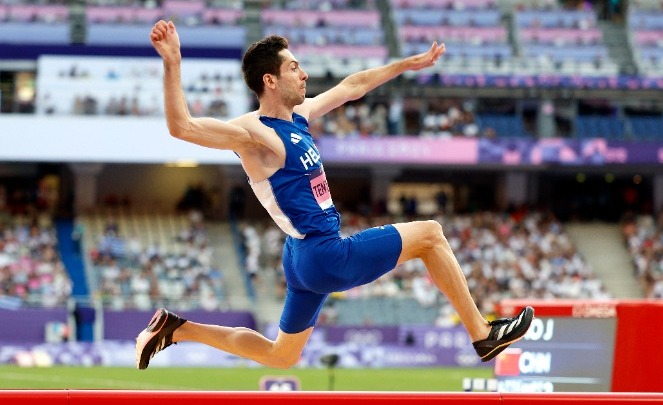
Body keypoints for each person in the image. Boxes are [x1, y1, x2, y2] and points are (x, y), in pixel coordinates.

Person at [136, 20, 534, 370]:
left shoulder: (298, 116)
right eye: (294, 67)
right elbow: (182, 127)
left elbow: (352, 86)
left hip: (300, 254)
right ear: (270, 81)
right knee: (430, 234)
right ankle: (482, 334)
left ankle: (178, 329)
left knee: (281, 355)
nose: (304, 74)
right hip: (324, 254)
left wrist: (404, 65)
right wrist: (173, 63)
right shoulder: (254, 134)